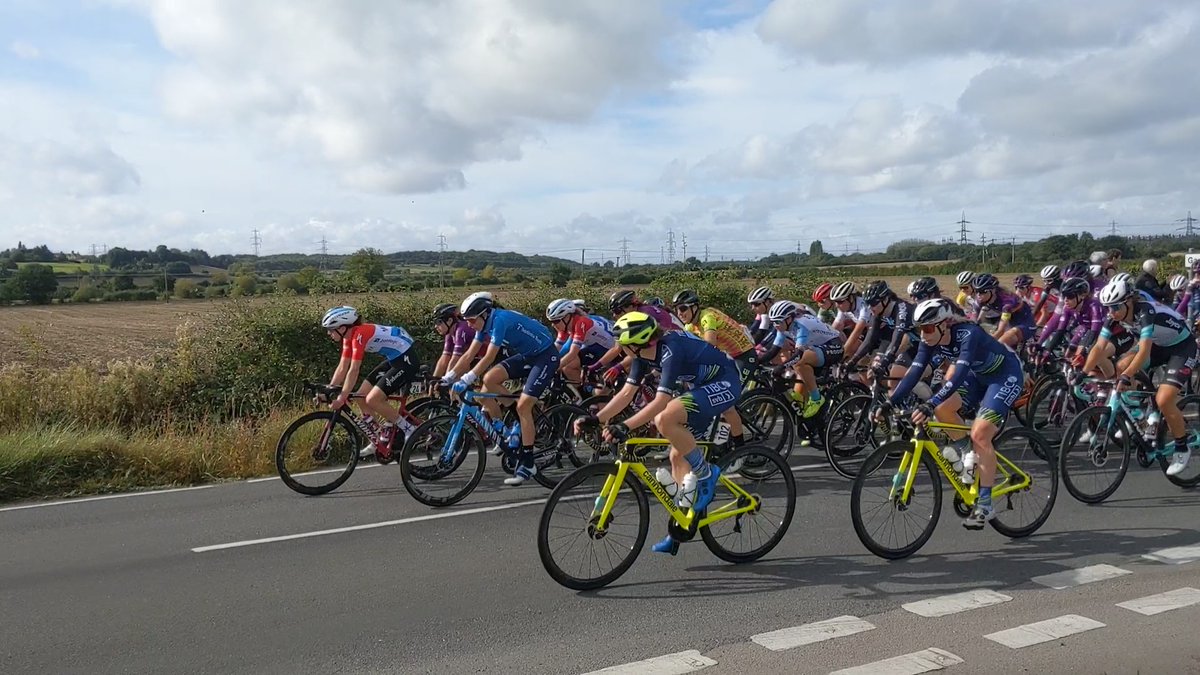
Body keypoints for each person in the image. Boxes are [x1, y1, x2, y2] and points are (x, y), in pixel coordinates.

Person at [579, 311, 740, 555]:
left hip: (725, 381)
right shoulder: (641, 355)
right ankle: (681, 526)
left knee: (664, 418)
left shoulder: (670, 350)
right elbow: (626, 394)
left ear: (636, 343)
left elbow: (661, 401)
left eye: (622, 344)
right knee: (677, 456)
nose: (619, 349)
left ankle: (706, 473)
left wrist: (624, 426)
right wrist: (596, 419)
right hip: (700, 388)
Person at [889, 298, 1025, 528]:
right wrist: (889, 402)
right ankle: (968, 454)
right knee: (942, 408)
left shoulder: (968, 333)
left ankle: (985, 503)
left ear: (944, 324)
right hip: (977, 376)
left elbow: (959, 373)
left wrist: (929, 403)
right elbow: (914, 372)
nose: (923, 334)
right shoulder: (930, 339)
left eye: (927, 328)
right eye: (919, 329)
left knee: (980, 434)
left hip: (1004, 375)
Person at [449, 292, 560, 485]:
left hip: (545, 356)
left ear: (484, 314)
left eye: (472, 320)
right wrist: (448, 377)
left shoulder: (499, 320)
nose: (469, 324)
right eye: (466, 321)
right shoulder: (484, 324)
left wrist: (467, 379)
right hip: (528, 355)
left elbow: (489, 357)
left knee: (524, 405)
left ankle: (528, 463)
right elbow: (468, 355)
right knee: (490, 379)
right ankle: (519, 423)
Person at [1094, 278, 1197, 475]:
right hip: (1160, 345)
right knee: (1121, 365)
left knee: (1164, 399)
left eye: (1115, 307)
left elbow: (1143, 351)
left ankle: (1182, 447)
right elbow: (1099, 347)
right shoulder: (1114, 316)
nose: (1111, 312)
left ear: (1128, 302)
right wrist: (1083, 372)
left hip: (1182, 348)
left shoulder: (1145, 311)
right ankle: (1140, 417)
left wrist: (1127, 376)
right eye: (1107, 308)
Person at [320, 306, 419, 463]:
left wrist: (342, 397)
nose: (328, 333)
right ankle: (377, 439)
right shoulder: (348, 337)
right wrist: (329, 389)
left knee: (373, 399)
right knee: (360, 397)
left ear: (343, 328)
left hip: (406, 360)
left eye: (331, 329)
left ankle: (409, 429)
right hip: (394, 359)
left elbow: (354, 369)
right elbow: (343, 366)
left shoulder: (360, 334)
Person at [760, 300, 844, 417]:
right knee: (799, 365)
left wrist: (782, 367)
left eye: (778, 321)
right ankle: (803, 402)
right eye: (773, 322)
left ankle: (816, 399)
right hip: (817, 348)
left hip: (834, 346)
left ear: (789, 319)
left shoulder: (801, 325)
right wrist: (757, 363)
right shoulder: (783, 327)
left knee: (799, 362)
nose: (775, 325)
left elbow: (799, 354)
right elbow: (773, 350)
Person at [547, 298, 615, 384]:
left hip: (610, 349)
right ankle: (582, 389)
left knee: (570, 364)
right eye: (551, 321)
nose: (553, 325)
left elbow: (572, 353)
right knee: (568, 366)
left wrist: (551, 369)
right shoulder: (565, 326)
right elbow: (555, 349)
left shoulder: (581, 322)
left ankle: (592, 388)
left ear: (567, 317)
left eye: (556, 321)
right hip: (595, 346)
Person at [972, 273, 1036, 347]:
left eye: (983, 291)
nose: (978, 295)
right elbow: (975, 323)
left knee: (999, 344)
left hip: (1025, 323)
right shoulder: (980, 299)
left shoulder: (1007, 302)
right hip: (1010, 321)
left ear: (993, 290)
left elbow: (1001, 331)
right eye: (976, 291)